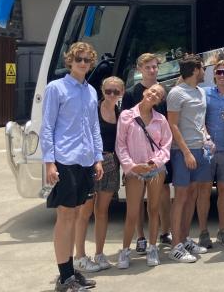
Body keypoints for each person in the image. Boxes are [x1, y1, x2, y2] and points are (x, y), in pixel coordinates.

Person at [41, 41, 103, 291]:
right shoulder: (56, 88)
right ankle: (64, 277)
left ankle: (70, 271)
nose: (83, 64)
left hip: (86, 159)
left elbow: (94, 127)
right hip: (64, 159)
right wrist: (49, 162)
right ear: (70, 61)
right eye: (79, 59)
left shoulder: (91, 91)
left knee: (78, 215)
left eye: (87, 60)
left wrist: (98, 157)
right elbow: (47, 126)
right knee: (65, 216)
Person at [116, 83, 172, 268]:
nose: (154, 95)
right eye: (152, 91)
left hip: (155, 169)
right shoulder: (126, 116)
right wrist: (132, 166)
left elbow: (165, 146)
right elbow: (121, 145)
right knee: (132, 212)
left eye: (158, 95)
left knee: (154, 209)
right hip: (134, 171)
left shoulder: (161, 119)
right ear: (145, 92)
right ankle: (125, 251)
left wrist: (153, 163)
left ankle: (153, 248)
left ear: (160, 100)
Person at [72, 77, 124, 274]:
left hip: (111, 164)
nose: (111, 95)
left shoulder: (120, 112)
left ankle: (100, 253)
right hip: (92, 163)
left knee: (102, 211)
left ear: (122, 93)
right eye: (108, 91)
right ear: (102, 91)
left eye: (116, 92)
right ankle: (79, 256)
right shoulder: (92, 109)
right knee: (84, 212)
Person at [166, 53, 212, 262]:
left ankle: (184, 239)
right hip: (182, 152)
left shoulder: (200, 92)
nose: (204, 71)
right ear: (195, 70)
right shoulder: (176, 93)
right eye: (202, 68)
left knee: (192, 195)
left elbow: (199, 121)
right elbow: (172, 125)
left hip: (201, 149)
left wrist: (207, 138)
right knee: (181, 198)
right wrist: (185, 152)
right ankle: (175, 245)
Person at [203, 59, 224, 247]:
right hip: (207, 151)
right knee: (205, 192)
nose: (222, 75)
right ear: (214, 75)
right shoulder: (205, 93)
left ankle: (223, 231)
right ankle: (203, 232)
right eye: (218, 72)